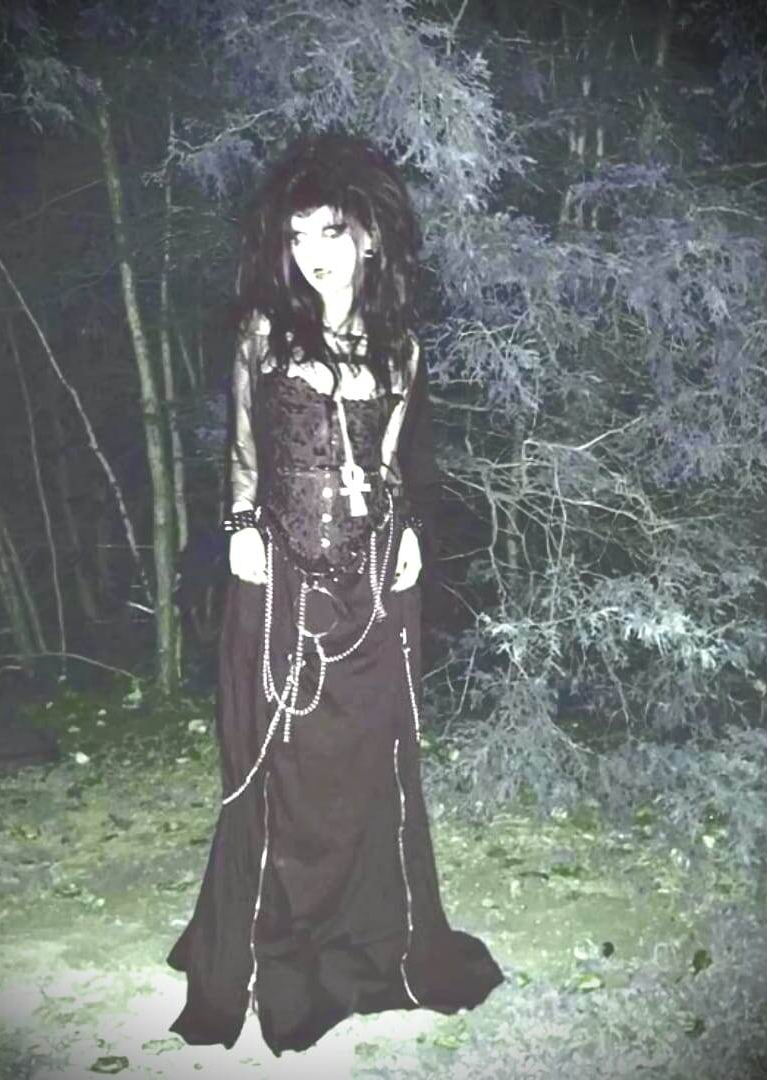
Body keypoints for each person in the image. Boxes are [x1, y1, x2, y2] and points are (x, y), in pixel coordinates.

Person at [166, 130, 504, 1056]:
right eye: (298, 234)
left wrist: (412, 537)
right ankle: (274, 941)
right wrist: (240, 529)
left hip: (372, 587)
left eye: (331, 231)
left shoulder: (400, 349)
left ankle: (368, 939)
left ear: (368, 237)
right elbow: (244, 447)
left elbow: (392, 466)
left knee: (365, 762)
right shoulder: (266, 333)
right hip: (279, 577)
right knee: (279, 761)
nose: (313, 251)